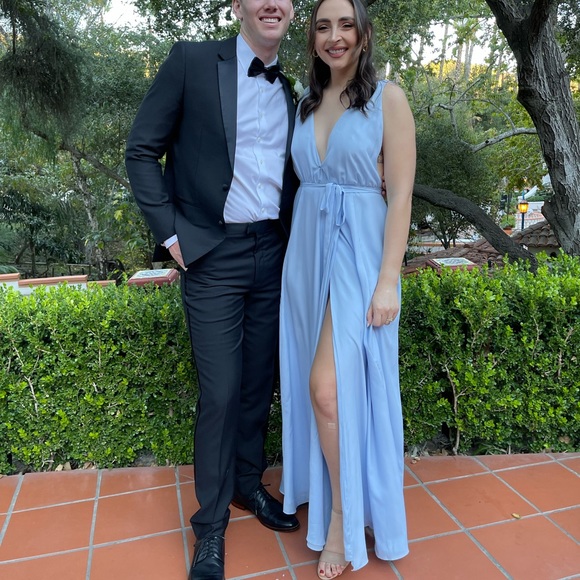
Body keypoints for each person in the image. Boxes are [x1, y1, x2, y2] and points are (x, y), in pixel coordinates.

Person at [125, 1, 300, 578]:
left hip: (272, 252)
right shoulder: (192, 62)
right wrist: (171, 234)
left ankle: (248, 484)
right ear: (237, 6)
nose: (272, 3)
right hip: (211, 253)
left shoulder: (293, 87)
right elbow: (141, 150)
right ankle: (210, 527)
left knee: (257, 384)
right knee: (221, 391)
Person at [279, 0, 415, 577]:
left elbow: (401, 195)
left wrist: (388, 280)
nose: (334, 36)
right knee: (325, 389)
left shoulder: (388, 98)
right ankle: (341, 497)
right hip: (306, 259)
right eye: (322, 26)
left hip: (359, 256)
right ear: (312, 37)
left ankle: (341, 517)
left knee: (328, 390)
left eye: (345, 25)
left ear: (363, 34)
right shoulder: (305, 104)